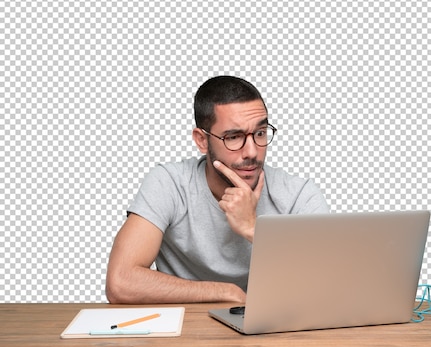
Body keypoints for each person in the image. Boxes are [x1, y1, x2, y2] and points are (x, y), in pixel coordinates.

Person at [106, 76, 329, 304]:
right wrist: (225, 293)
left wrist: (252, 228)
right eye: (233, 137)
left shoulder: (298, 194)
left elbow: (332, 284)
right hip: (185, 328)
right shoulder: (169, 183)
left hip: (274, 328)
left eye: (260, 133)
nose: (252, 151)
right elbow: (120, 282)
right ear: (202, 141)